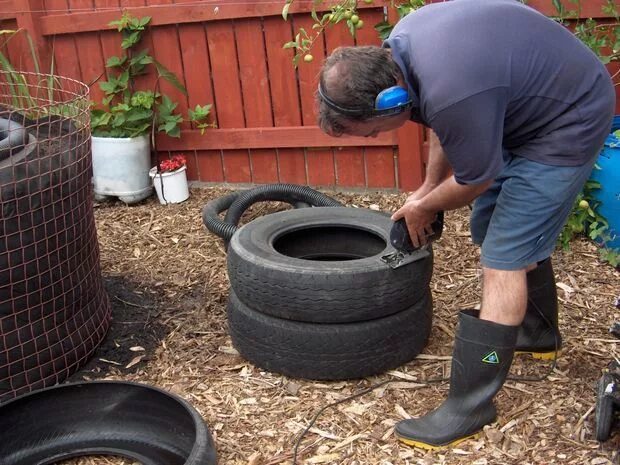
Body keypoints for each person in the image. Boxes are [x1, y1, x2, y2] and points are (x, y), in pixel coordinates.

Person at [316, 0, 615, 450]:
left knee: (503, 261)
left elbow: (476, 177)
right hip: (520, 110)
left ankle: (471, 404)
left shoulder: (452, 86)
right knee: (490, 226)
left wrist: (422, 209)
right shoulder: (406, 52)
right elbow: (441, 123)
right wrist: (428, 188)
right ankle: (537, 333)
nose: (378, 139)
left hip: (567, 121)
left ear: (392, 100)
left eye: (374, 132)